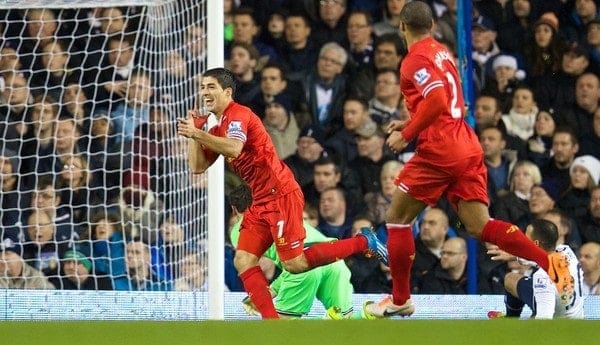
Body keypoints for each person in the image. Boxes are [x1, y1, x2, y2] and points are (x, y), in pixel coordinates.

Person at [363, 2, 575, 319]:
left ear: (402, 26)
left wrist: (408, 132)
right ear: (433, 24)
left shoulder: (414, 59)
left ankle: (400, 299)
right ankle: (550, 262)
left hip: (440, 149)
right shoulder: (442, 52)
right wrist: (409, 120)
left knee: (396, 220)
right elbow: (448, 101)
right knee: (481, 226)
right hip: (466, 143)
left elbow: (435, 99)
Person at [177, 67, 385, 319]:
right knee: (243, 260)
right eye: (202, 87)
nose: (204, 92)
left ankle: (363, 242)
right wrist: (193, 134)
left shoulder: (239, 114)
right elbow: (197, 167)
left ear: (227, 92)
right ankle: (272, 324)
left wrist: (198, 133)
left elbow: (233, 148)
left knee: (294, 264)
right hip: (260, 199)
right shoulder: (216, 129)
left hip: (280, 193)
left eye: (211, 87)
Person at [228, 183, 357, 319]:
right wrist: (273, 290)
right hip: (333, 261)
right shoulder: (283, 214)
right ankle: (371, 311)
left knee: (283, 331)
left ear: (234, 209)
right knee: (344, 325)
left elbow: (252, 271)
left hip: (302, 265)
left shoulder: (240, 229)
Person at [488, 219, 584, 319]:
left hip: (560, 325)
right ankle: (510, 319)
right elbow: (539, 257)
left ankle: (512, 321)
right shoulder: (566, 251)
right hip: (575, 315)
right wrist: (515, 256)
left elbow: (544, 319)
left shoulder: (543, 278)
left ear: (536, 244)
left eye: (525, 238)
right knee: (511, 279)